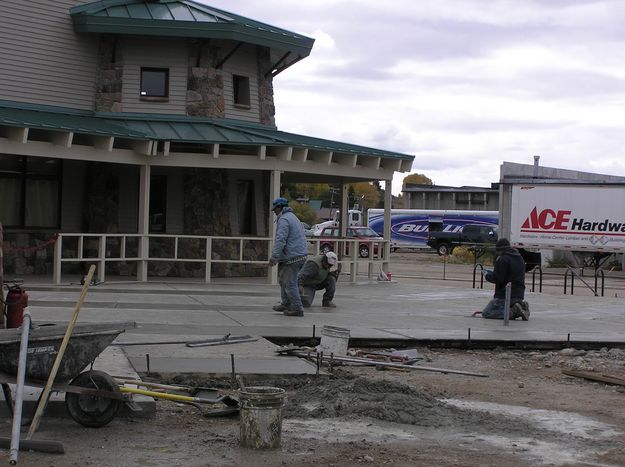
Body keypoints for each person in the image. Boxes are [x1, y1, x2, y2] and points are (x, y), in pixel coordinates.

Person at [269, 197, 308, 316]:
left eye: (275, 209)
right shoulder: (293, 217)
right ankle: (286, 303)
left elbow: (281, 240)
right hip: (299, 254)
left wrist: (274, 257)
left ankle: (297, 308)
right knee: (283, 280)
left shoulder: (284, 219)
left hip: (292, 257)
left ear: (280, 207)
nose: (274, 212)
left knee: (290, 283)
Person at [481, 238, 530, 320]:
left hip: (505, 295)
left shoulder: (503, 259)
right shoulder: (519, 258)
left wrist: (487, 275)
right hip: (519, 294)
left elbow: (498, 279)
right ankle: (521, 307)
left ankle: (513, 311)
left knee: (487, 313)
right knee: (498, 309)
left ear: (500, 250)